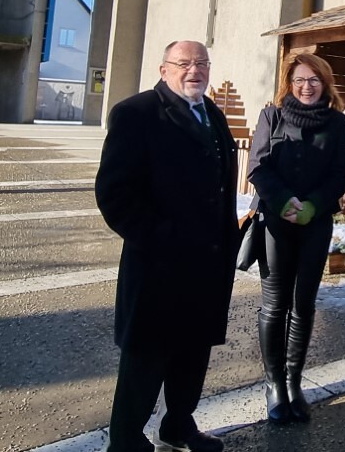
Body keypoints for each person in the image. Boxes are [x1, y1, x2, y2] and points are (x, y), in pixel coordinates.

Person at [95, 40, 238, 452]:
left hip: (207, 263)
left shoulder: (210, 112)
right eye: (184, 63)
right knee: (146, 357)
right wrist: (161, 238)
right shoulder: (136, 113)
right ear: (163, 69)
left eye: (202, 63)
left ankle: (178, 425)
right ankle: (125, 442)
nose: (195, 71)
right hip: (159, 264)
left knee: (192, 353)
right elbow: (114, 195)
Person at [247, 53, 345, 425]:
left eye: (313, 80)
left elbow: (340, 173)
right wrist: (283, 202)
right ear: (289, 84)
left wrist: (313, 205)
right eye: (299, 80)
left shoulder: (337, 123)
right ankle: (274, 384)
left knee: (303, 304)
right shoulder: (271, 117)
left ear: (324, 83)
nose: (306, 87)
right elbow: (257, 166)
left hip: (315, 222)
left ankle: (293, 382)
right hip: (276, 223)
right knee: (275, 306)